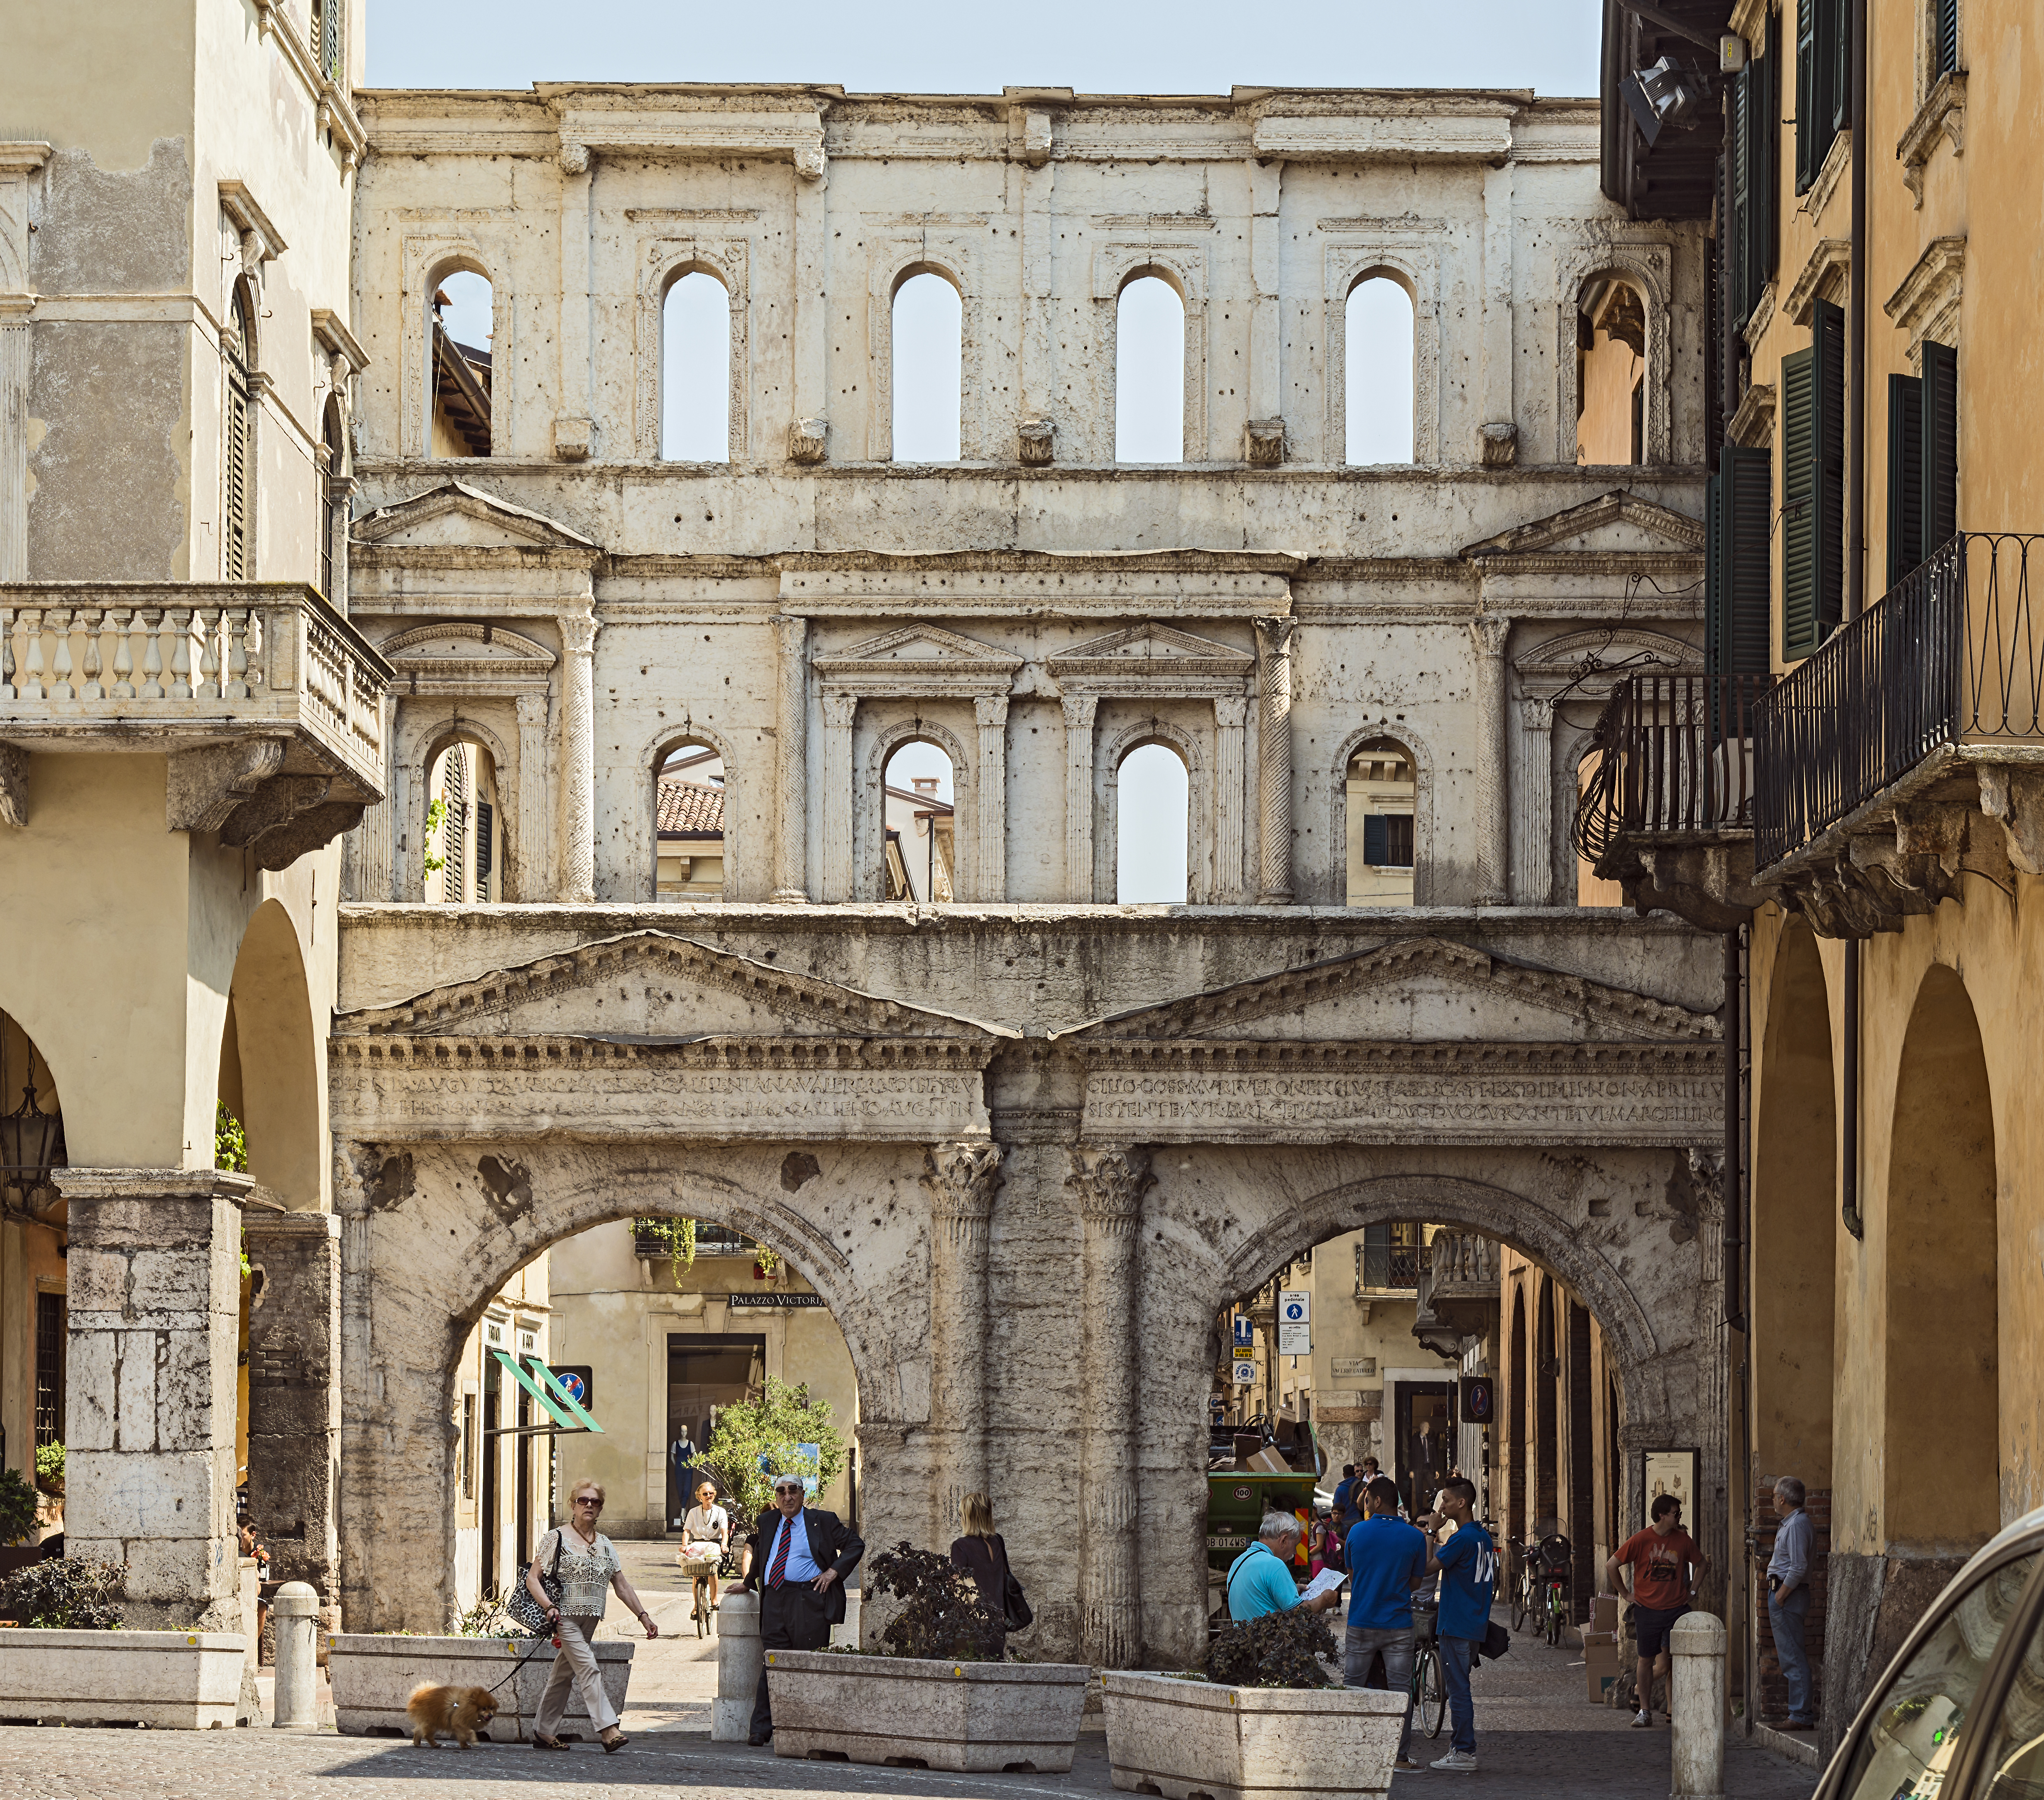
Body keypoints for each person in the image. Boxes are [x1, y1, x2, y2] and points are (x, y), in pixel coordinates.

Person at [526, 1480, 659, 1753]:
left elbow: (621, 1585)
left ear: (600, 1509)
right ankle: (609, 1730)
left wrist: (643, 1616)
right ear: (572, 1506)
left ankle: (543, 1731)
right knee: (588, 1669)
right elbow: (533, 1579)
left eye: (595, 1502)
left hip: (591, 1621)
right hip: (565, 1618)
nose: (589, 1505)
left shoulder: (606, 1545)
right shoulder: (557, 1538)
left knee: (563, 1675)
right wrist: (550, 1606)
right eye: (583, 1501)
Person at [739, 1472, 865, 1746]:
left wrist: (833, 1573)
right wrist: (748, 1583)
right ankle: (761, 1729)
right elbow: (763, 1553)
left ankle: (806, 1727)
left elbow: (856, 1544)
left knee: (806, 1663)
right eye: (782, 1492)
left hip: (808, 1600)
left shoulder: (823, 1521)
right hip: (774, 1600)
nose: (788, 1497)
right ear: (776, 1496)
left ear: (802, 1494)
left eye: (793, 1491)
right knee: (772, 1662)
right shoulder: (768, 1521)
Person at [1344, 1474, 1431, 1774]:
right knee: (1400, 1693)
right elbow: (1417, 1582)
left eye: (1367, 1501)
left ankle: (1350, 1752)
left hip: (1361, 1622)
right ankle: (1399, 1756)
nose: (1365, 1506)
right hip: (1398, 1625)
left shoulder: (1357, 1532)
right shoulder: (1415, 1537)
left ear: (1377, 1501)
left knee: (1352, 1689)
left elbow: (1353, 1576)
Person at [1604, 1493, 1708, 1727]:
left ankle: (1675, 1709)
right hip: (1648, 1610)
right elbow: (1612, 1565)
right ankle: (1645, 1710)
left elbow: (1701, 1563)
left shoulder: (1683, 1540)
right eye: (1676, 1514)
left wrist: (1693, 1591)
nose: (1679, 1518)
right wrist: (1625, 1594)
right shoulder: (1641, 1539)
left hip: (1676, 1609)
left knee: (1675, 1661)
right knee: (1645, 1659)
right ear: (1662, 1515)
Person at [1417, 1477, 1495, 1773]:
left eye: (1446, 1501)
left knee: (1458, 1689)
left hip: (1457, 1623)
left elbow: (1426, 1568)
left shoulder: (1461, 1539)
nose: (1442, 1506)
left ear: (1462, 1503)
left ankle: (1464, 1751)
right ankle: (1461, 1749)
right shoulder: (1482, 1538)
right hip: (1473, 1622)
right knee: (1461, 1686)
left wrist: (1431, 1531)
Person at [1765, 1477, 1816, 1732]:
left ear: (1783, 1498)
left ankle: (1801, 1715)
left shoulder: (1797, 1525)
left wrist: (1781, 1596)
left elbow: (1798, 1567)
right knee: (1791, 1656)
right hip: (1785, 1594)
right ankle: (1799, 1713)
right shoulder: (1791, 1524)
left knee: (1793, 1657)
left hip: (1788, 1595)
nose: (1773, 1499)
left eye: (1775, 1495)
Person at [1228, 1510, 1343, 1622]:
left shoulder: (1240, 1560)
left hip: (1244, 1637)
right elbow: (1298, 1613)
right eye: (1295, 1545)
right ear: (1284, 1540)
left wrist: (1291, 1589)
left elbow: (1259, 1595)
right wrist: (1324, 1599)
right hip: (1268, 1640)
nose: (1295, 1552)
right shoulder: (1274, 1564)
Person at [950, 1491, 1023, 1657]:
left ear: (968, 1516)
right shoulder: (997, 1541)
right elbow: (1004, 1576)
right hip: (998, 1619)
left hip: (972, 1621)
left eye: (961, 1513)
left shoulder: (961, 1546)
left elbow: (958, 1590)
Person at [681, 1479, 731, 1612]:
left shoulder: (720, 1512)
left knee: (712, 1570)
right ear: (699, 1497)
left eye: (711, 1494)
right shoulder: (693, 1512)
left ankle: (714, 1600)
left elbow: (724, 1531)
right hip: (698, 1543)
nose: (709, 1496)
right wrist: (685, 1545)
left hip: (714, 1543)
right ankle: (697, 1606)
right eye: (705, 1494)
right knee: (696, 1573)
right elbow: (687, 1531)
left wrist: (724, 1545)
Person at [1332, 1464, 1360, 1532]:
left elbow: (1336, 1507)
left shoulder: (1340, 1489)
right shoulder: (1361, 1485)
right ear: (1354, 1473)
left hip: (1345, 1522)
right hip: (1359, 1521)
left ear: (1344, 1475)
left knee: (1345, 1542)